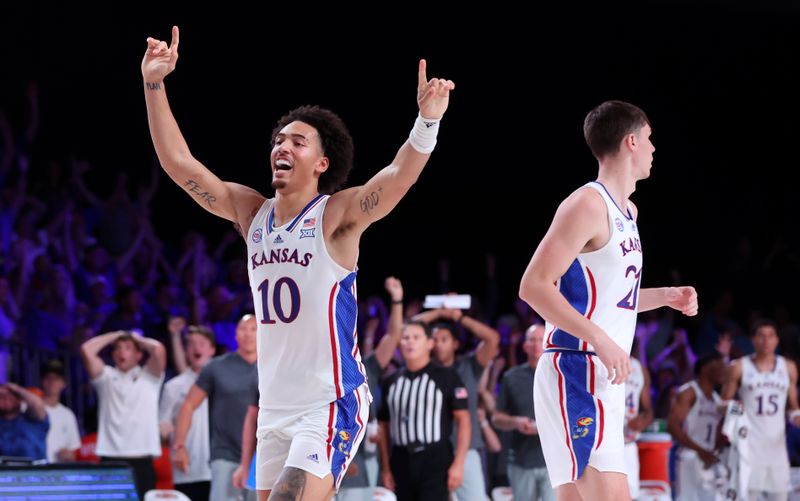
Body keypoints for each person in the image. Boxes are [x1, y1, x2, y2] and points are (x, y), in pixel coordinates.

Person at [142, 26, 454, 501]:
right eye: (278, 140)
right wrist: (154, 84)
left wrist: (426, 122)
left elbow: (397, 177)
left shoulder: (336, 216)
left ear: (322, 163)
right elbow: (180, 166)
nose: (282, 147)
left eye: (297, 142)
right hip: (275, 407)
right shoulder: (251, 212)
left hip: (329, 400)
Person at [518, 100, 699, 501]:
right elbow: (533, 286)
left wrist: (665, 296)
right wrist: (600, 339)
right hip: (576, 368)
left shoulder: (628, 212)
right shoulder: (587, 204)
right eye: (650, 140)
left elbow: (612, 300)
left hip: (603, 377)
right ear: (631, 142)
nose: (654, 149)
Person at [414, 305, 500, 501]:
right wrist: (437, 313)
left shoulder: (470, 366)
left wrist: (458, 317)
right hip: (432, 449)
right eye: (434, 340)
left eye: (444, 339)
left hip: (467, 450)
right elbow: (406, 329)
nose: (438, 344)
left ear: (455, 344)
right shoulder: (422, 368)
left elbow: (492, 338)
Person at [377, 321, 470, 500]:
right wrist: (386, 468)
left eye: (416, 337)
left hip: (435, 457)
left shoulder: (447, 377)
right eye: (405, 338)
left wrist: (458, 464)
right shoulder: (391, 381)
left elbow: (464, 421)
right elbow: (384, 426)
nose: (410, 342)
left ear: (429, 343)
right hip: (401, 457)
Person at [172, 314, 258, 501]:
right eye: (243, 329)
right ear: (235, 335)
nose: (248, 334)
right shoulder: (217, 367)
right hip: (225, 454)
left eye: (254, 329)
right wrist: (179, 445)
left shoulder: (272, 367)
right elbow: (188, 405)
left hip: (261, 456)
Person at [80, 330, 166, 498]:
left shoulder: (150, 378)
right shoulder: (105, 377)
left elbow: (158, 350)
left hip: (141, 458)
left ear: (138, 355)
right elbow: (86, 350)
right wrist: (116, 334)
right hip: (111, 457)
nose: (122, 352)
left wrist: (137, 338)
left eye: (127, 348)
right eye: (118, 348)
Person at [721, 319, 800, 501]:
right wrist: (734, 409)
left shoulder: (788, 367)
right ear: (753, 339)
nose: (766, 341)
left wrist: (796, 416)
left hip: (777, 448)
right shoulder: (739, 366)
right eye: (761, 336)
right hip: (749, 447)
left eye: (771, 336)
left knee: (780, 496)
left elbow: (793, 404)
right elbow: (723, 404)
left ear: (777, 340)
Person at [492, 323, 554, 501]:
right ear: (525, 345)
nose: (536, 344)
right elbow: (496, 418)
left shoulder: (560, 376)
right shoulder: (511, 377)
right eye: (532, 340)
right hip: (521, 460)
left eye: (541, 340)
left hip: (553, 461)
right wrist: (515, 422)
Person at [159, 325, 217, 500]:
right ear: (185, 351)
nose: (196, 348)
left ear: (212, 349)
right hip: (187, 470)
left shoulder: (225, 381)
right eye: (191, 344)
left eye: (201, 343)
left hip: (222, 469)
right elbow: (163, 425)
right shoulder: (173, 387)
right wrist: (168, 433)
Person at [667, 353, 725, 501]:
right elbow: (672, 426)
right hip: (688, 457)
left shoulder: (717, 400)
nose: (722, 372)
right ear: (705, 368)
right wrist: (700, 450)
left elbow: (718, 434)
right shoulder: (689, 392)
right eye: (718, 367)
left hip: (708, 459)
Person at [622, 354, 653, 500]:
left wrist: (642, 421)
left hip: (628, 441)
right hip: (604, 440)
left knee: (631, 494)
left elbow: (649, 411)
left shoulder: (639, 367)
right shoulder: (600, 356)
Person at [40, 359, 81, 462]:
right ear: (42, 381)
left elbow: (74, 452)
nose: (52, 382)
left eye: (56, 379)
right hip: (34, 470)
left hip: (58, 472)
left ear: (63, 383)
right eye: (48, 378)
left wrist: (68, 456)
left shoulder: (68, 415)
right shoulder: (29, 408)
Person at [0, 381, 48, 460]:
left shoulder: (32, 419)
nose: (6, 398)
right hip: (5, 471)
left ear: (20, 398)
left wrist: (15, 388)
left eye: (11, 394)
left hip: (35, 470)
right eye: (1, 396)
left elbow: (37, 404)